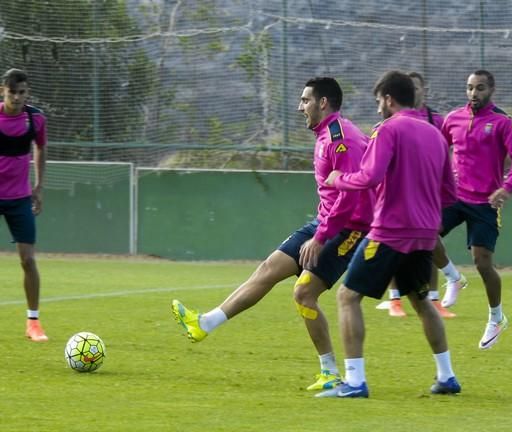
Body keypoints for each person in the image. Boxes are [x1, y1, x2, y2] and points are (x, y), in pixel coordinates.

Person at [172, 77, 374, 391]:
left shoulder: (340, 137)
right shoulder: (325, 134)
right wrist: (319, 231)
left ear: (323, 102)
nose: (300, 107)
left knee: (304, 294)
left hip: (349, 227)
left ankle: (330, 372)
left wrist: (321, 238)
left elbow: (352, 196)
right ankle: (205, 323)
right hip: (324, 222)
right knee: (269, 268)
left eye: (305, 100)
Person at [318, 70, 460, 398]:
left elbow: (368, 176)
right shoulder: (436, 135)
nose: (378, 108)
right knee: (423, 301)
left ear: (388, 99)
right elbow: (450, 193)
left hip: (389, 232)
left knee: (347, 296)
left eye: (378, 101)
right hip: (424, 235)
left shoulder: (388, 129)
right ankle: (447, 376)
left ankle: (354, 382)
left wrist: (338, 179)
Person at [437, 69, 512, 350]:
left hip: (485, 203)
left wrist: (507, 187)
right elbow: (438, 149)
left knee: (483, 263)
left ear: (491, 90)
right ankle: (453, 277)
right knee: (422, 234)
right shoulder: (453, 119)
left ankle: (496, 317)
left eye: (479, 88)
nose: (473, 93)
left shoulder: (502, 123)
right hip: (454, 197)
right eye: (469, 88)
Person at [384, 72, 467, 319]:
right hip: (401, 192)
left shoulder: (437, 121)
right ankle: (395, 299)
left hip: (426, 193)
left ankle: (434, 298)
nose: (414, 91)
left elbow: (446, 155)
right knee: (392, 243)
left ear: (423, 90)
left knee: (429, 243)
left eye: (417, 87)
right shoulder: (392, 121)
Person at [0, 68, 48, 342]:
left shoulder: (35, 118)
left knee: (28, 260)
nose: (17, 98)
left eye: (22, 93)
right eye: (12, 92)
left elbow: (41, 148)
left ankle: (33, 322)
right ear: (2, 91)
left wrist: (39, 187)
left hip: (19, 199)